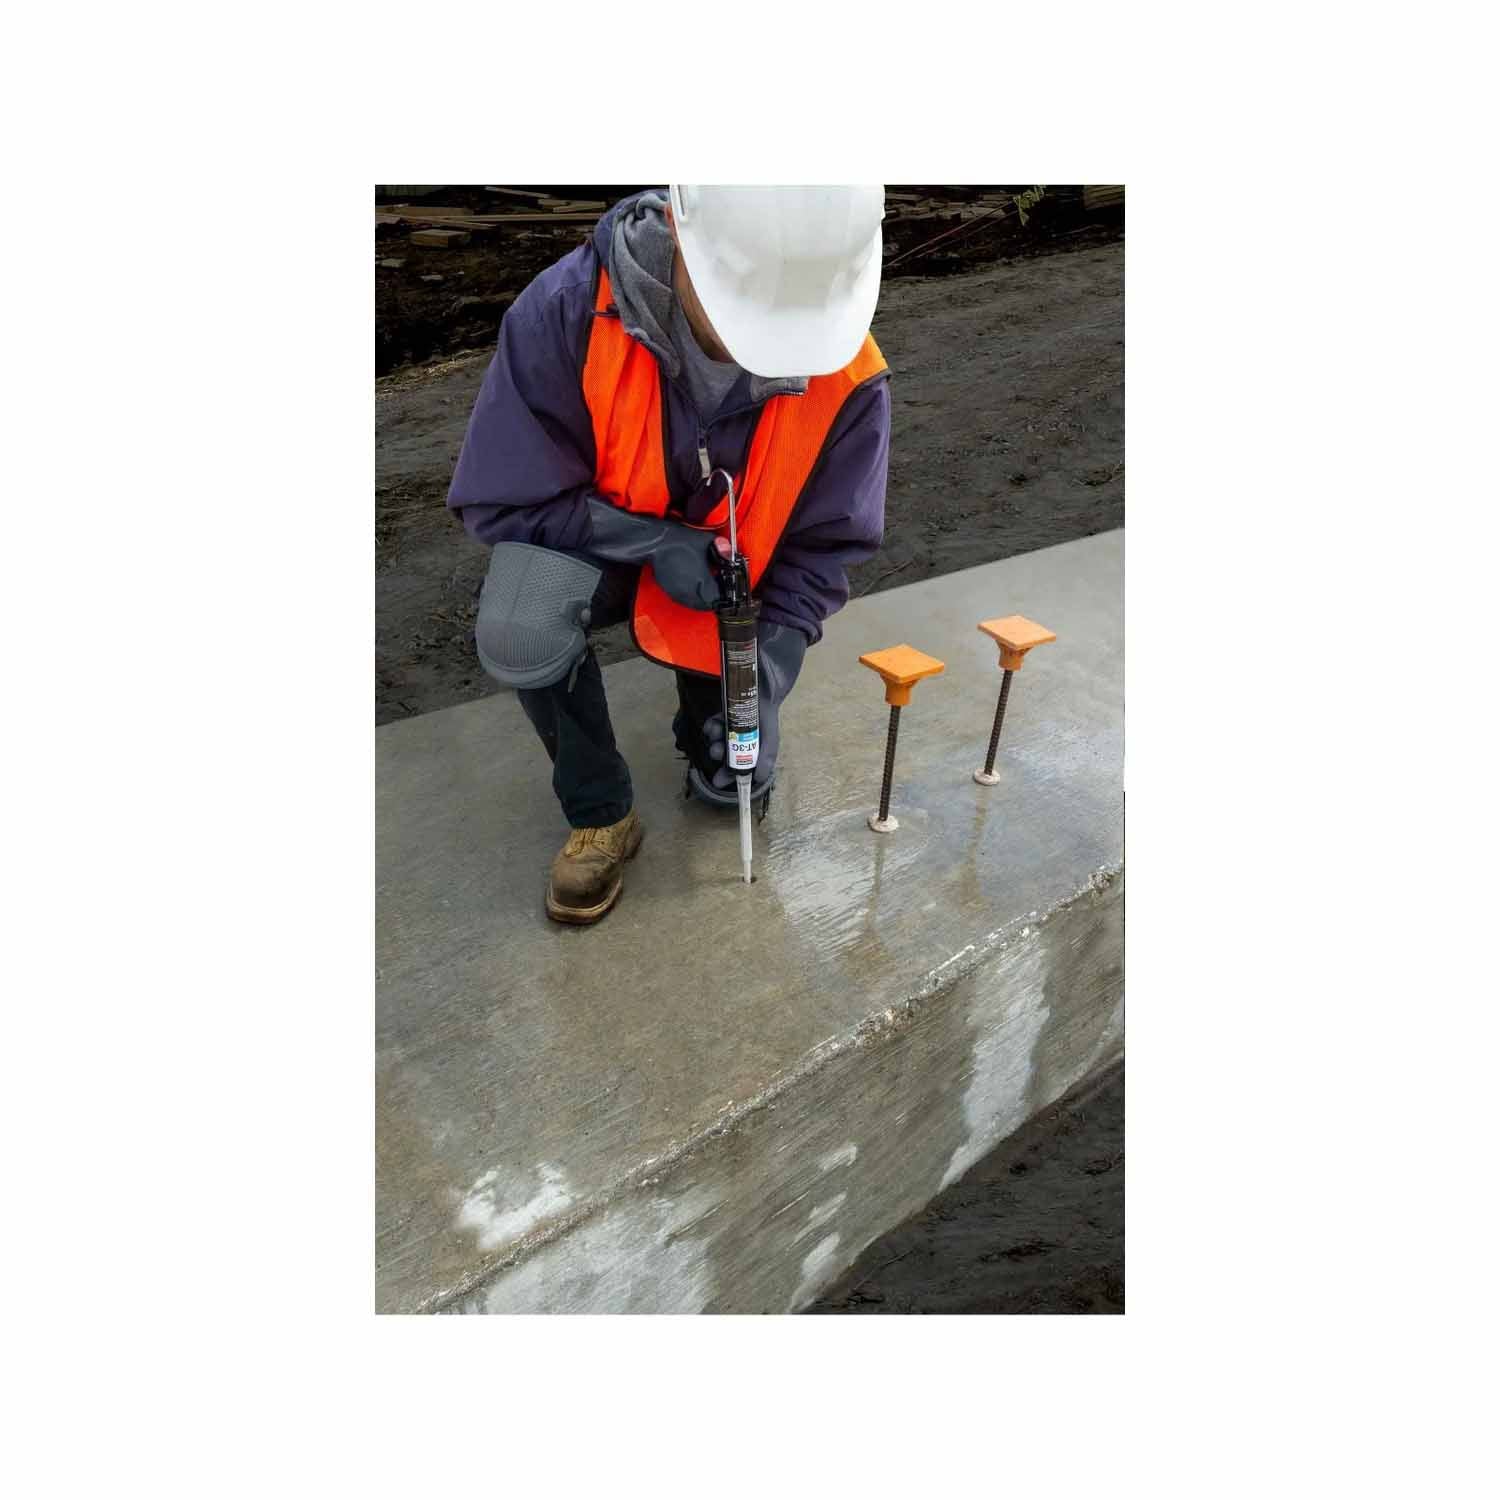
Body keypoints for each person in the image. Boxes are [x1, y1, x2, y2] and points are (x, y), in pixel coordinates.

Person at [447, 185, 891, 924]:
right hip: (595, 546)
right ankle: (602, 812)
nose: (766, 349)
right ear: (682, 238)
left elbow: (822, 548)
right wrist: (652, 541)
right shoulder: (567, 312)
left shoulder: (849, 372)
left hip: (731, 578)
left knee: (728, 776)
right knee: (520, 622)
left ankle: (708, 718)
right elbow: (506, 500)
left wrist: (767, 682)